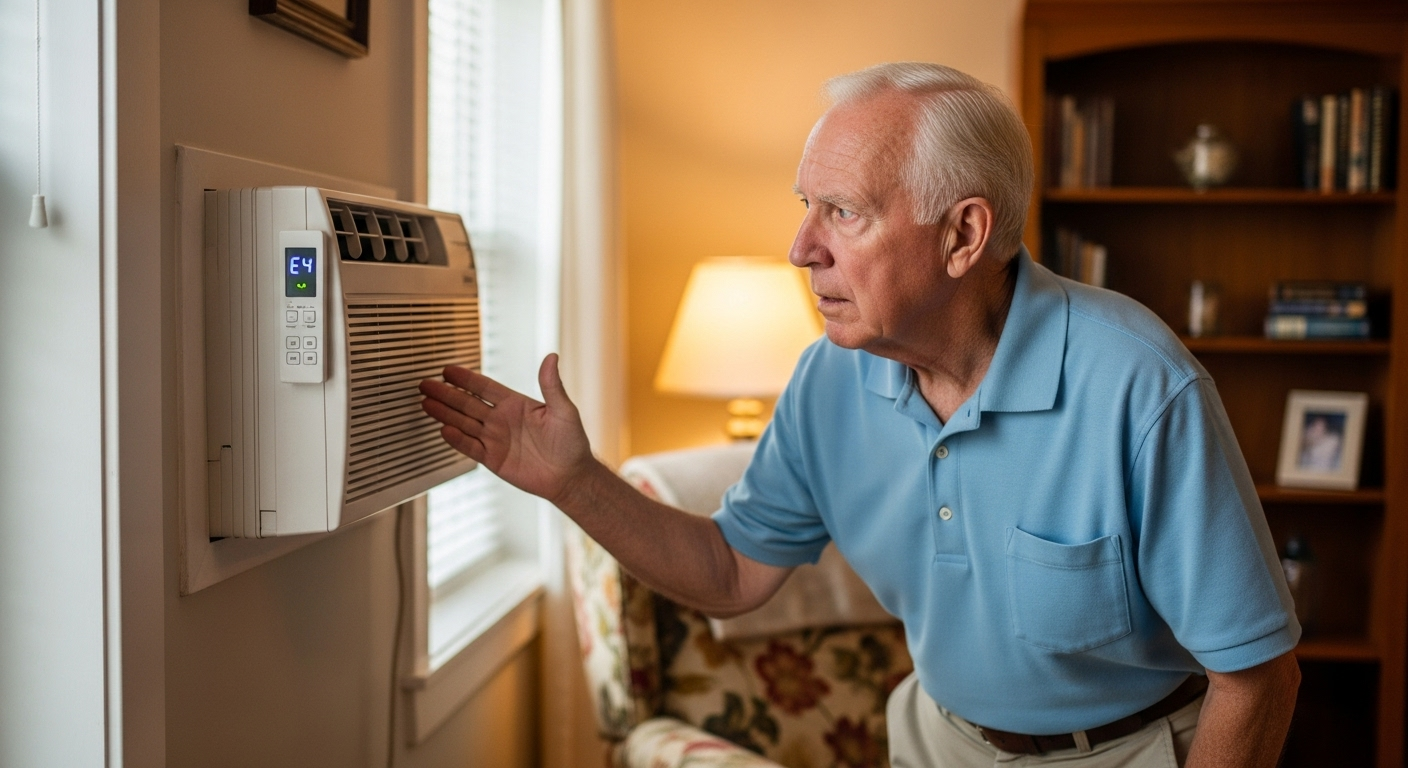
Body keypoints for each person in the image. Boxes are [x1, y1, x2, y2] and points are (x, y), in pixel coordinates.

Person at [420, 62, 1301, 767]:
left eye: (843, 212)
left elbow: (1259, 677)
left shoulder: (1137, 383)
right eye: (806, 207)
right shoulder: (830, 378)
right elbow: (731, 571)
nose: (801, 248)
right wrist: (574, 483)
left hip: (1130, 751)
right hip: (936, 740)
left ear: (963, 236)